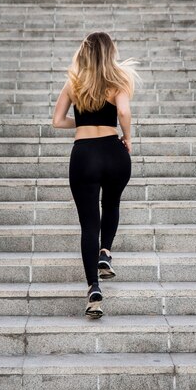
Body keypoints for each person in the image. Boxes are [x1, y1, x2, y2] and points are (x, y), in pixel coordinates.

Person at [52, 31, 142, 318]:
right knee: (112, 204)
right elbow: (124, 113)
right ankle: (106, 252)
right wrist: (127, 137)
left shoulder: (74, 82)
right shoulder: (120, 80)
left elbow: (56, 121)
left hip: (84, 154)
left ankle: (93, 289)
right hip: (114, 152)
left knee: (89, 224)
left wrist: (80, 123)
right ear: (110, 52)